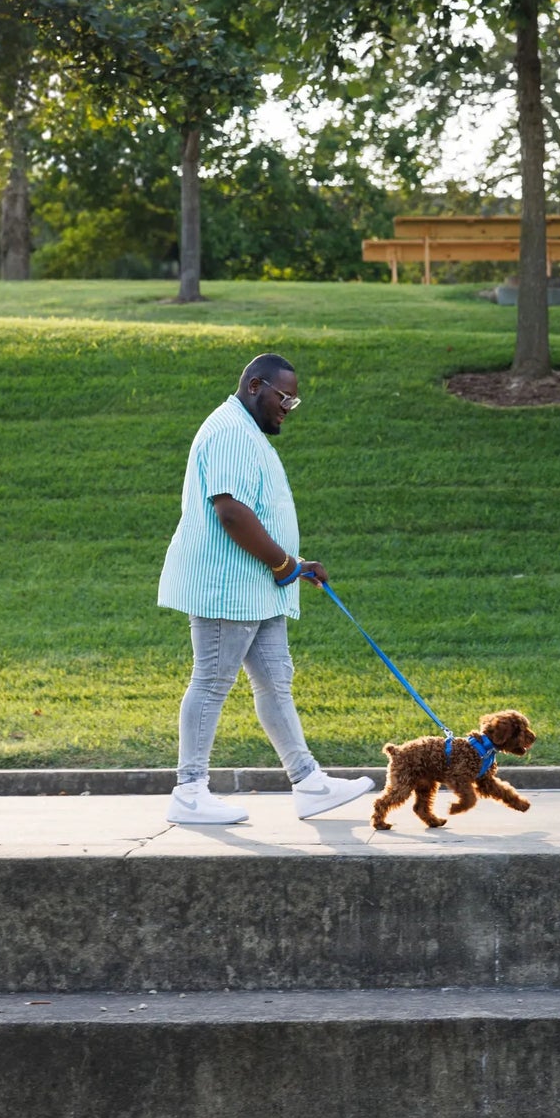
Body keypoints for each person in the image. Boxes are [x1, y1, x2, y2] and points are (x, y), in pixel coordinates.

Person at [155, 353, 375, 824]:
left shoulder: (246, 431)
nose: (288, 408)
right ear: (255, 386)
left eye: (293, 401)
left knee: (275, 681)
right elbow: (231, 512)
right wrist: (281, 562)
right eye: (284, 398)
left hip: (258, 585)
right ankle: (188, 792)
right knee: (212, 680)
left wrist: (293, 564)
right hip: (228, 586)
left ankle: (309, 783)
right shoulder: (230, 431)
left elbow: (255, 511)